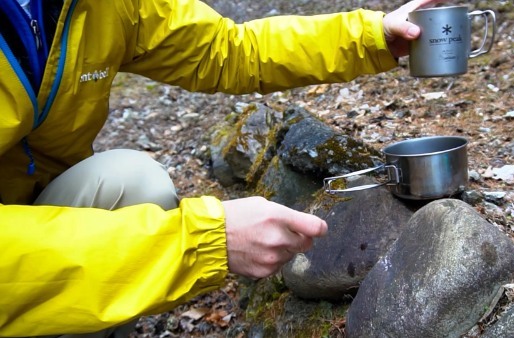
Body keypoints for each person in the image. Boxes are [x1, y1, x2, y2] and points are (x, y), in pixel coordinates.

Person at [0, 0, 444, 336]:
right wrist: (201, 240)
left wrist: (370, 36)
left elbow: (227, 50)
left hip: (31, 204)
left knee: (134, 184)